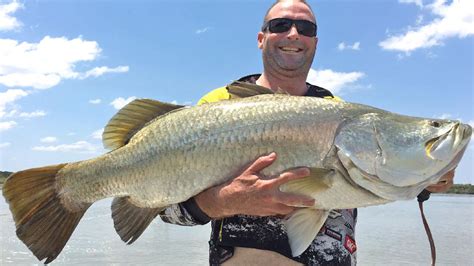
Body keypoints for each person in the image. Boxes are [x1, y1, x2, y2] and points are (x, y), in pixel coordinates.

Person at [160, 0, 455, 265]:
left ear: (314, 42)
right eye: (280, 25)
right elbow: (165, 207)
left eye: (305, 27)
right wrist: (223, 201)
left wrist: (426, 176)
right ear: (261, 39)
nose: (293, 34)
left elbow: (375, 176)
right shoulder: (216, 106)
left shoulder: (341, 112)